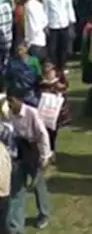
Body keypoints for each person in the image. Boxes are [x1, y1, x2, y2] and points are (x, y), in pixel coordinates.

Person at [6, 88, 52, 233]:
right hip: (18, 152)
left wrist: (45, 156)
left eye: (12, 101)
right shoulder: (8, 114)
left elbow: (42, 134)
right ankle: (16, 225)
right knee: (16, 189)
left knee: (38, 185)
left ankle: (44, 214)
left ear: (20, 100)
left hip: (33, 150)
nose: (10, 104)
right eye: (8, 101)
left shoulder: (32, 113)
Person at [42, 0, 75, 70]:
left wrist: (71, 21)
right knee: (53, 49)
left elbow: (69, 9)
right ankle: (54, 67)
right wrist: (45, 25)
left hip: (64, 24)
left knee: (64, 47)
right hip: (53, 26)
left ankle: (62, 66)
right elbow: (45, 11)